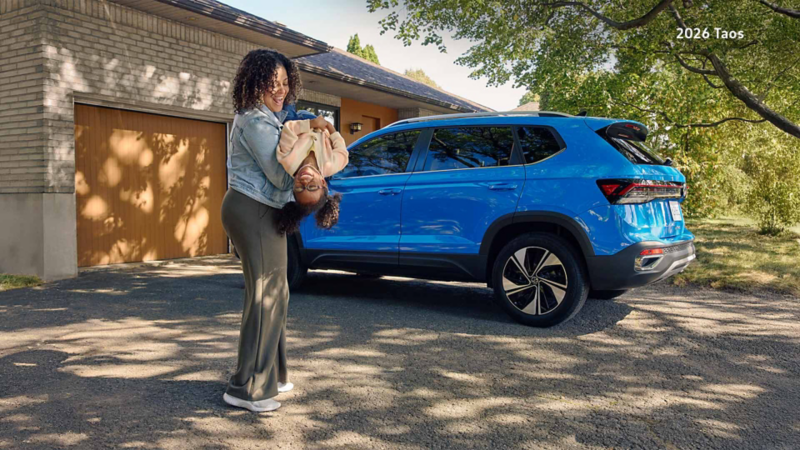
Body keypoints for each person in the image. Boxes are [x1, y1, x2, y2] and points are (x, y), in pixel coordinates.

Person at [221, 48, 342, 413]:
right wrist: (313, 156)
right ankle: (247, 388)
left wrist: (310, 147)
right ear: (255, 82)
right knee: (265, 294)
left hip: (265, 211)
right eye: (271, 83)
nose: (279, 89)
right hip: (251, 209)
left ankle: (273, 375)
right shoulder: (254, 120)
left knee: (277, 292)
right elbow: (279, 174)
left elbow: (291, 150)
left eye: (285, 83)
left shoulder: (274, 119)